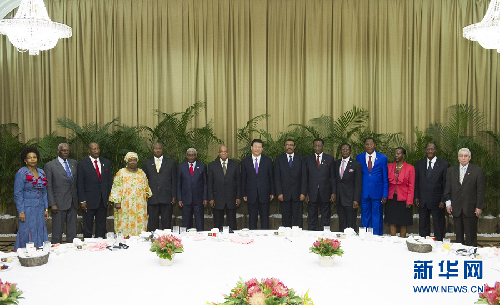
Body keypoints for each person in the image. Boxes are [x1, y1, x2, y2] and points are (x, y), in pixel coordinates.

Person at [444, 148, 485, 246]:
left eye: (466, 156)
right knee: (458, 235)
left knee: (471, 235)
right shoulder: (451, 171)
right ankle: (460, 255)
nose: (463, 158)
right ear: (458, 158)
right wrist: (448, 203)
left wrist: (479, 207)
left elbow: (480, 191)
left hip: (470, 208)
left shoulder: (477, 171)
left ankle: (471, 256)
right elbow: (447, 188)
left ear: (469, 158)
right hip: (456, 208)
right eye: (461, 156)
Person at [13, 147, 49, 250]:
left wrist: (46, 209)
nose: (32, 159)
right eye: (29, 158)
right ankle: (25, 254)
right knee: (26, 230)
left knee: (40, 229)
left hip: (39, 207)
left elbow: (44, 191)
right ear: (25, 160)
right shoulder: (21, 173)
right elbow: (17, 193)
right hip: (27, 209)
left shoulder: (41, 172)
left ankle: (40, 252)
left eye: (34, 157)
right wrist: (21, 211)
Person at [109, 152, 152, 236]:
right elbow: (116, 187)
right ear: (127, 162)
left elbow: (146, 187)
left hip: (139, 206)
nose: (133, 162)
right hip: (125, 205)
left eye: (135, 160)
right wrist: (117, 201)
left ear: (137, 161)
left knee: (139, 225)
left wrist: (146, 196)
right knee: (124, 224)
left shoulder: (142, 173)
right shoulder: (121, 172)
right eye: (130, 160)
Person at [77, 142, 113, 238]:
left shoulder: (106, 162)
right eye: (93, 149)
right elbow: (80, 183)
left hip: (102, 200)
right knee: (88, 226)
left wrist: (109, 197)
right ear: (89, 150)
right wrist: (82, 200)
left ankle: (100, 245)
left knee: (101, 225)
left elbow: (109, 181)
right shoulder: (82, 164)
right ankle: (88, 246)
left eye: (97, 148)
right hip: (88, 201)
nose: (96, 151)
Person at [44, 143, 78, 244]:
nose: (65, 152)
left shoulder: (74, 163)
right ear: (58, 151)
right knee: (57, 230)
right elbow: (48, 186)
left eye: (67, 150)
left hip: (72, 201)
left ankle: (71, 250)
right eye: (63, 150)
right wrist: (52, 203)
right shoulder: (50, 165)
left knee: (72, 230)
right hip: (58, 203)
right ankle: (56, 249)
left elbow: (76, 182)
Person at [414, 143, 448, 241]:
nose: (430, 151)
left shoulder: (443, 164)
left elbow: (445, 184)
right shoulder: (420, 163)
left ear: (436, 151)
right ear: (425, 151)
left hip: (437, 201)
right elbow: (417, 182)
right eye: (428, 149)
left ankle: (439, 243)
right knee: (423, 224)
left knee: (438, 224)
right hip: (423, 199)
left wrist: (443, 200)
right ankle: (424, 243)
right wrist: (416, 196)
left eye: (432, 149)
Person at [301, 138, 336, 231]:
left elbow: (333, 177)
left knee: (325, 217)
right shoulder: (307, 159)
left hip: (325, 193)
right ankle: (312, 235)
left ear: (322, 147)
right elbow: (305, 178)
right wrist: (305, 193)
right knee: (311, 216)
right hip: (311, 193)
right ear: (313, 147)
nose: (317, 147)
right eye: (315, 145)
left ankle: (324, 236)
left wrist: (333, 193)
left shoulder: (329, 159)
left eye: (319, 145)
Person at [355, 137, 388, 236]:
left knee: (377, 217)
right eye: (367, 144)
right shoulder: (359, 157)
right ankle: (365, 237)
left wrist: (385, 194)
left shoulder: (382, 158)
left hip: (378, 193)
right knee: (365, 216)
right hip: (364, 193)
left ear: (374, 145)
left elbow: (385, 178)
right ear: (364, 146)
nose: (369, 146)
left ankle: (376, 237)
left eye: (371, 144)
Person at [241, 139, 275, 230]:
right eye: (255, 147)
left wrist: (272, 192)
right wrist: (243, 193)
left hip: (265, 193)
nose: (257, 149)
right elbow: (243, 178)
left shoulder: (268, 161)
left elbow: (271, 177)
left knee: (265, 219)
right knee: (252, 219)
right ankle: (253, 238)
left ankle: (265, 238)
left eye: (259, 147)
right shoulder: (245, 161)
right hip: (251, 194)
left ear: (262, 149)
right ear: (251, 148)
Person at [143, 143, 177, 231]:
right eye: (155, 149)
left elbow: (174, 180)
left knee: (166, 222)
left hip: (166, 196)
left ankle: (166, 241)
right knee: (153, 223)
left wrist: (174, 196)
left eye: (159, 148)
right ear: (152, 150)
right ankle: (153, 241)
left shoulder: (170, 162)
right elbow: (144, 181)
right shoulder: (147, 163)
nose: (157, 150)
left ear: (162, 149)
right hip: (152, 197)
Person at [208, 146, 241, 231]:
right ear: (219, 154)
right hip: (217, 199)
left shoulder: (235, 165)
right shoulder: (212, 165)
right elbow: (210, 183)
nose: (224, 153)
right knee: (218, 224)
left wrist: (238, 197)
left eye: (225, 151)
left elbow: (238, 182)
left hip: (231, 199)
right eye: (222, 152)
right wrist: (211, 198)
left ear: (228, 153)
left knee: (232, 223)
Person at [385, 147, 415, 238]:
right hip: (391, 197)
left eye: (398, 153)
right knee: (392, 220)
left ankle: (402, 241)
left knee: (403, 222)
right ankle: (393, 240)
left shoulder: (410, 168)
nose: (396, 155)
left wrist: (409, 201)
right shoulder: (389, 166)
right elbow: (385, 183)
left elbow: (411, 186)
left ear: (403, 155)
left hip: (404, 198)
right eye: (395, 153)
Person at [274, 139, 305, 228]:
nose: (289, 147)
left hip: (298, 194)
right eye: (287, 145)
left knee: (298, 219)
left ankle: (298, 238)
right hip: (284, 195)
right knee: (286, 219)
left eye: (291, 145)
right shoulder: (279, 159)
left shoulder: (301, 158)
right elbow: (277, 177)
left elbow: (304, 176)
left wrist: (303, 192)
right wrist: (279, 193)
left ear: (294, 147)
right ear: (284, 147)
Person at [177, 148, 207, 231]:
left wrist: (205, 198)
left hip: (199, 199)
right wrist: (179, 199)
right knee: (186, 223)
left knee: (199, 222)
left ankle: (200, 238)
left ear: (196, 156)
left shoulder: (202, 166)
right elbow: (179, 184)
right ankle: (186, 239)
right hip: (186, 199)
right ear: (186, 156)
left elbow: (205, 183)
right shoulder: (181, 166)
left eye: (193, 155)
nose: (191, 157)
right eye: (189, 155)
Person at [334, 143, 362, 232]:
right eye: (343, 149)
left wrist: (356, 199)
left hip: (350, 199)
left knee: (351, 224)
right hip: (339, 199)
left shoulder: (356, 164)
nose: (345, 150)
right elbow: (334, 180)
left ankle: (351, 243)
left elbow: (358, 183)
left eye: (347, 149)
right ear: (340, 151)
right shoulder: (336, 163)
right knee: (342, 222)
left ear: (350, 151)